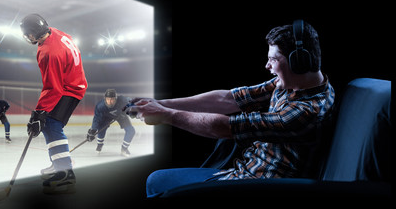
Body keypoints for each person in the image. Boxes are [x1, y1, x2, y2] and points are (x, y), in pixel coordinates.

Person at [127, 20, 336, 197]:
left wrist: (165, 115)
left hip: (258, 185)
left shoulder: (306, 111)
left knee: (156, 182)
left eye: (273, 59)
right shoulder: (295, 84)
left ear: (298, 62)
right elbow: (229, 99)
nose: (267, 66)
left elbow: (225, 127)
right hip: (242, 173)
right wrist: (161, 103)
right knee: (159, 180)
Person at [20, 13, 88, 194]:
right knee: (49, 123)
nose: (28, 37)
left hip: (69, 88)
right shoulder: (55, 32)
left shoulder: (48, 53)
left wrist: (39, 113)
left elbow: (53, 88)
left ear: (33, 34)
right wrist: (40, 113)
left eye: (29, 34)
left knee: (51, 124)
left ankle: (65, 172)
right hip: (73, 80)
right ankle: (59, 162)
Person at [86, 89, 136, 157]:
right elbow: (96, 119)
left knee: (131, 131)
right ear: (105, 99)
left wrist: (129, 110)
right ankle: (99, 145)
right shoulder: (100, 106)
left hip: (121, 115)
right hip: (106, 116)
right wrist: (93, 130)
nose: (110, 101)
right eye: (108, 99)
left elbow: (132, 102)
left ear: (116, 99)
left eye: (112, 99)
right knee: (101, 129)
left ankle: (124, 149)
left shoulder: (122, 100)